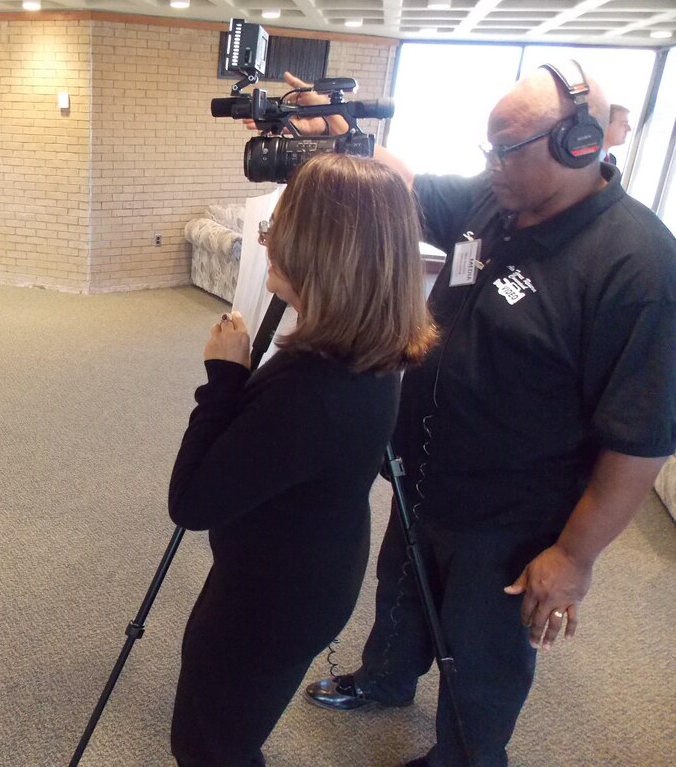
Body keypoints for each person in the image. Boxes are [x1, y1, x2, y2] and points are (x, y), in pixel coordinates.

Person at [271, 62, 676, 767]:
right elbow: (405, 186)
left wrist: (574, 559)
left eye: (505, 150)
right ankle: (387, 679)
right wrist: (340, 129)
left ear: (577, 144)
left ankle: (465, 756)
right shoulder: (500, 201)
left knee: (484, 648)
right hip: (425, 469)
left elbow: (641, 440)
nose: (490, 166)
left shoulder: (638, 267)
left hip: (514, 514)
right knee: (400, 587)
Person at [167, 153, 437, 766]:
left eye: (277, 228)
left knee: (210, 746)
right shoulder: (367, 347)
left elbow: (191, 502)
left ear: (318, 251)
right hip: (302, 571)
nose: (268, 240)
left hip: (271, 596)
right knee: (225, 733)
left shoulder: (314, 387)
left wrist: (223, 377)